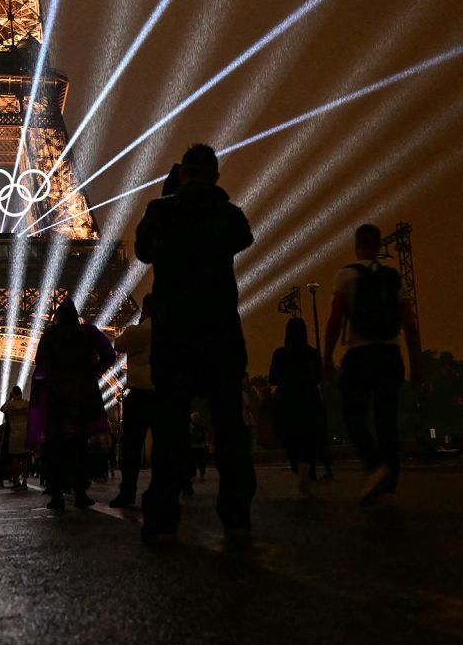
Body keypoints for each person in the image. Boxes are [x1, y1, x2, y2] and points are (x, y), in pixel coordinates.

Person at [135, 143, 256, 544]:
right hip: (220, 330)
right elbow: (243, 239)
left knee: (170, 425)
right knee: (229, 423)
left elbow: (141, 251)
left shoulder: (161, 211)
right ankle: (237, 515)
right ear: (216, 176)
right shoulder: (228, 215)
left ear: (182, 174)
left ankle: (163, 517)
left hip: (174, 334)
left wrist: (172, 196)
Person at [322, 223, 422, 505]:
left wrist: (327, 357)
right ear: (379, 247)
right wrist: (416, 364)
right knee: (387, 418)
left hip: (360, 352)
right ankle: (389, 484)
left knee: (353, 415)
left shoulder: (346, 275)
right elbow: (410, 324)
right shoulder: (394, 278)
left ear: (357, 246)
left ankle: (376, 465)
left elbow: (335, 319)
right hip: (391, 354)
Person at [29, 299, 114, 510]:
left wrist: (40, 393)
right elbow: (109, 354)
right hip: (83, 393)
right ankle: (81, 493)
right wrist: (93, 371)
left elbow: (40, 364)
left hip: (57, 395)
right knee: (80, 444)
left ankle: (57, 494)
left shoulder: (50, 334)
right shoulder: (89, 332)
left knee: (56, 446)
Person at [109, 294, 156, 509]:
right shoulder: (172, 332)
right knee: (167, 443)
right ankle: (175, 485)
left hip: (139, 394)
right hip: (163, 394)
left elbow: (118, 345)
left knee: (131, 447)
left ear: (144, 309)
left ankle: (127, 492)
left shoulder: (137, 331)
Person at [269, 317, 323, 495]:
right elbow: (319, 377)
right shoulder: (313, 354)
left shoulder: (280, 354)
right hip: (309, 399)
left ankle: (297, 466)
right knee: (308, 437)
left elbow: (273, 378)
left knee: (289, 438)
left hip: (287, 401)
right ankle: (307, 466)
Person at [0, 385, 31, 491]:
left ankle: (17, 481)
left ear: (12, 393)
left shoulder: (10, 404)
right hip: (25, 433)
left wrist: (9, 398)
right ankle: (25, 482)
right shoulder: (26, 403)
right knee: (26, 459)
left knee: (15, 459)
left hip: (14, 435)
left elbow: (2, 409)